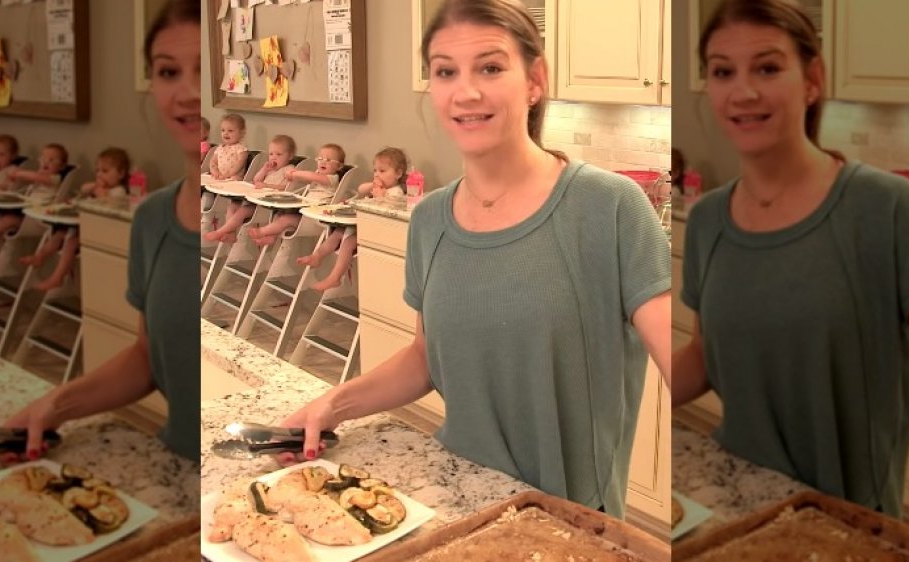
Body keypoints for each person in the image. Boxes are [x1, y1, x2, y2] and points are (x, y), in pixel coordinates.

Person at [277, 0, 670, 517]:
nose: (466, 91)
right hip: (457, 503)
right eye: (446, 71)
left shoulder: (608, 207)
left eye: (490, 67)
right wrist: (333, 405)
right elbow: (426, 356)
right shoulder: (431, 220)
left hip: (568, 522)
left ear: (534, 80)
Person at [672, 0, 909, 517]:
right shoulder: (707, 222)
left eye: (768, 68)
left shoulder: (884, 208)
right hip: (738, 506)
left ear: (812, 79)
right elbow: (705, 356)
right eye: (723, 72)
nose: (743, 91)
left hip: (848, 520)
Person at [4, 0, 201, 463]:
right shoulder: (154, 218)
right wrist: (53, 407)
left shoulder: (252, 228)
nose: (189, 92)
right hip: (178, 471)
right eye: (169, 72)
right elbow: (148, 356)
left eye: (206, 71)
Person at [19, 148, 131, 291]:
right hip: (83, 224)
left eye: (105, 171)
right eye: (97, 171)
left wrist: (99, 190)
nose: (99, 175)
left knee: (71, 241)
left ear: (121, 173)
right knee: (58, 234)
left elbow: (109, 200)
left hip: (100, 230)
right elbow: (84, 188)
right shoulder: (98, 186)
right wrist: (95, 186)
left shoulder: (118, 191)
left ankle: (57, 277)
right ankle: (40, 256)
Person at [297, 147, 408, 291]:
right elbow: (361, 189)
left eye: (382, 171)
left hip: (378, 230)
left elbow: (388, 211)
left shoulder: (396, 193)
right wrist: (372, 186)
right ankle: (317, 256)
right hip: (363, 224)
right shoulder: (376, 186)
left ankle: (334, 278)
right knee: (336, 233)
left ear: (398, 173)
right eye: (375, 171)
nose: (377, 175)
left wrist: (381, 197)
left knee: (348, 242)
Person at [203, 134, 297, 243]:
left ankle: (220, 232)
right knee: (232, 206)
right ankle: (231, 233)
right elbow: (256, 179)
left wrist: (267, 186)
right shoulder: (270, 169)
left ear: (290, 156)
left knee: (242, 211)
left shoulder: (289, 170)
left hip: (269, 206)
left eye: (279, 154)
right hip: (256, 201)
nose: (273, 157)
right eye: (271, 154)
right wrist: (264, 170)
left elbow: (287, 188)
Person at [247, 143, 345, 247]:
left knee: (285, 219)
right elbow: (307, 178)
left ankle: (262, 231)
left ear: (339, 166)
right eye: (320, 158)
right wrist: (294, 177)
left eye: (328, 160)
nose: (323, 162)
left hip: (315, 217)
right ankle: (271, 237)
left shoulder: (332, 178)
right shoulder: (318, 175)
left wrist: (295, 173)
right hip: (306, 210)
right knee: (279, 214)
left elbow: (312, 176)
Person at [0, 143, 68, 247]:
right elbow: (33, 179)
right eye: (43, 158)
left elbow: (36, 177)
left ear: (62, 166)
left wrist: (18, 173)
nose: (45, 162)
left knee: (10, 219)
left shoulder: (55, 178)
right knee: (5, 215)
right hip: (29, 213)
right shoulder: (39, 179)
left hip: (39, 220)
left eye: (51, 160)